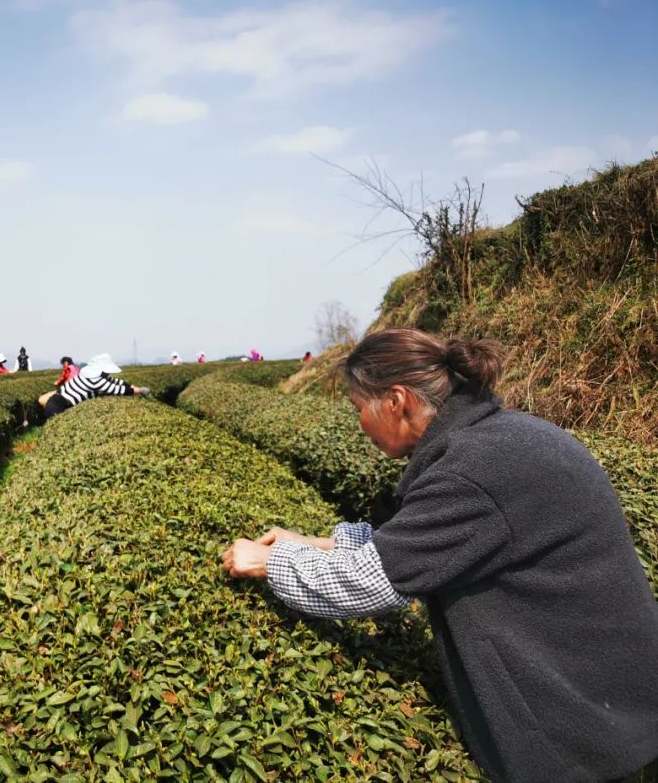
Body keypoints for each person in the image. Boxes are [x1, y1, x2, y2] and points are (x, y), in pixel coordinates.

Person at [221, 328, 658, 783]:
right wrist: (313, 544)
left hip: (587, 729)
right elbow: (422, 545)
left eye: (358, 409)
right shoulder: (500, 437)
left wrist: (269, 562)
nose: (358, 425)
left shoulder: (471, 472)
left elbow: (369, 585)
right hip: (619, 696)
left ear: (396, 400)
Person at [43, 353, 149, 420]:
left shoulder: (93, 375)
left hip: (58, 402)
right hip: (58, 406)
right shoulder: (95, 380)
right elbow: (118, 390)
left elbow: (116, 382)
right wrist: (140, 390)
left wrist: (131, 386)